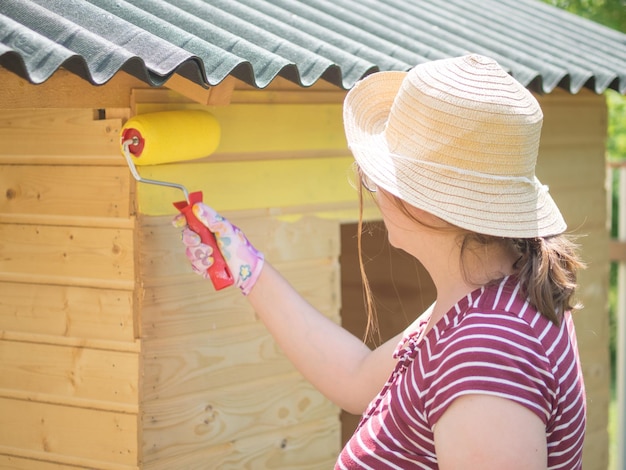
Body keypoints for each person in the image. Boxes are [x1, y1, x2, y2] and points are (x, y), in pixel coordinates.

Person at [175, 54, 586, 469]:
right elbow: (356, 377)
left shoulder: (486, 350)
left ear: (424, 204)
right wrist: (245, 264)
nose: (373, 192)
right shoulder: (487, 295)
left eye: (377, 176)